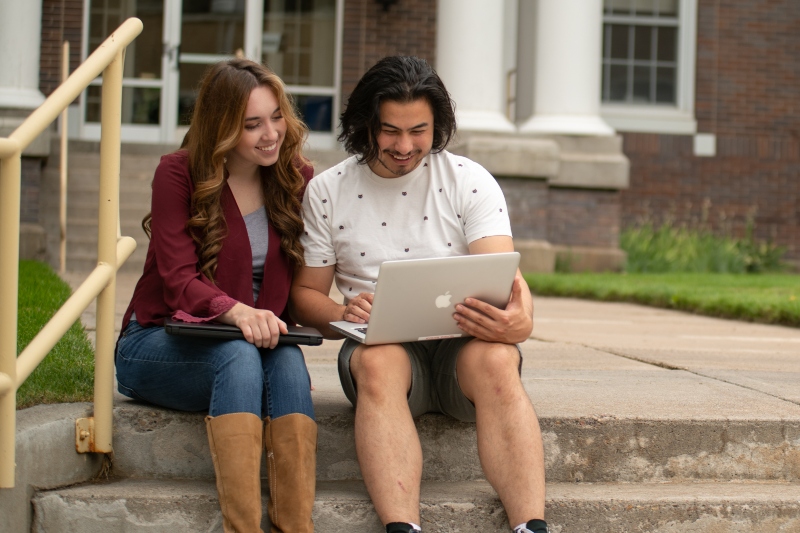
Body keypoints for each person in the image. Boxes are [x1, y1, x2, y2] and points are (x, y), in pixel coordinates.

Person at [290, 56, 548, 533]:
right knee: (376, 360)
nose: (404, 146)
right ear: (365, 124)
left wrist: (520, 321)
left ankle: (530, 527)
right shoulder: (327, 191)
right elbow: (305, 295)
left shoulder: (468, 180)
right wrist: (342, 310)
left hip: (464, 351)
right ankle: (403, 528)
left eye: (419, 131)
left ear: (438, 126)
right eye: (389, 131)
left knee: (496, 361)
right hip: (383, 351)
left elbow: (506, 277)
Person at [115, 58, 316, 533]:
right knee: (237, 358)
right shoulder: (178, 174)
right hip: (159, 340)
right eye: (252, 124)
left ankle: (296, 526)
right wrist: (238, 311)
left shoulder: (295, 179)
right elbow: (178, 281)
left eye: (276, 116)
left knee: (288, 365)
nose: (271, 134)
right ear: (223, 126)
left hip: (257, 340)